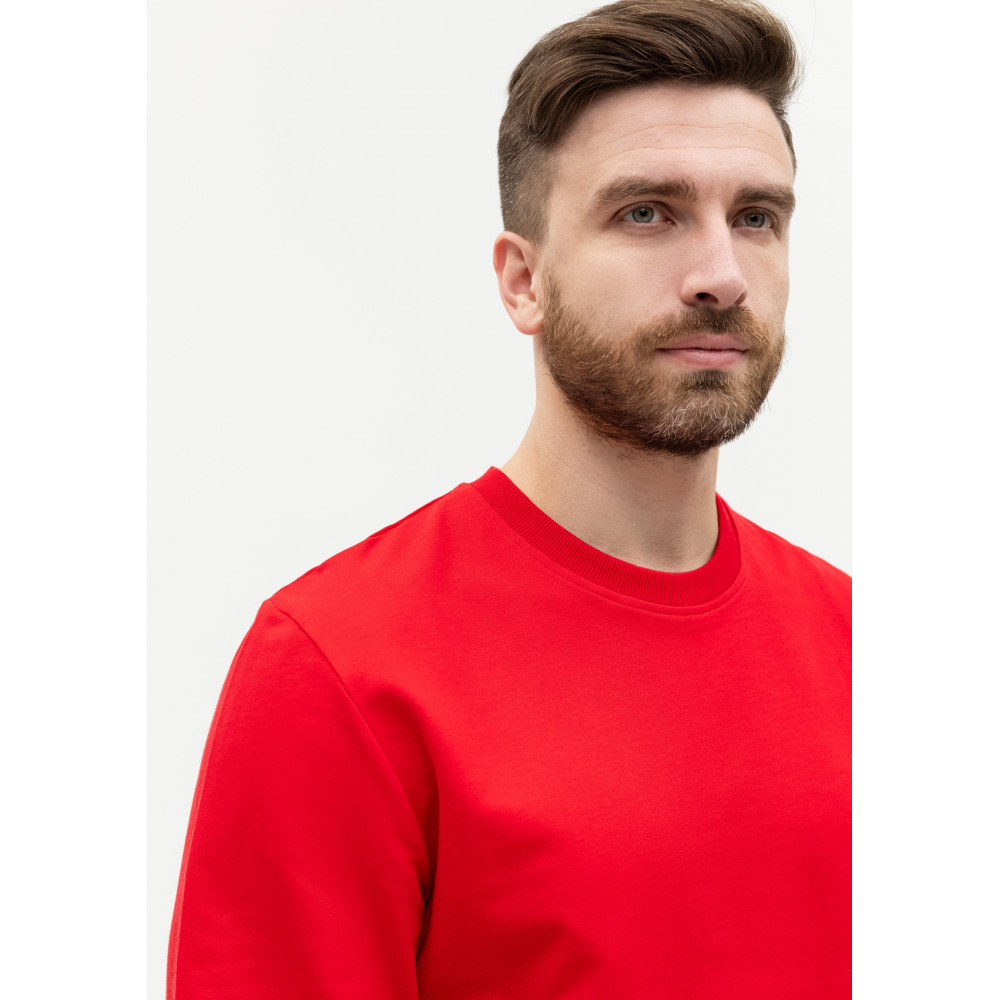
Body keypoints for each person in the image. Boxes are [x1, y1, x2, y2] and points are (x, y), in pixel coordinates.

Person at [167, 1, 850, 996]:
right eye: (647, 213)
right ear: (523, 281)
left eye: (756, 218)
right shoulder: (339, 670)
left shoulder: (864, 648)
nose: (720, 276)